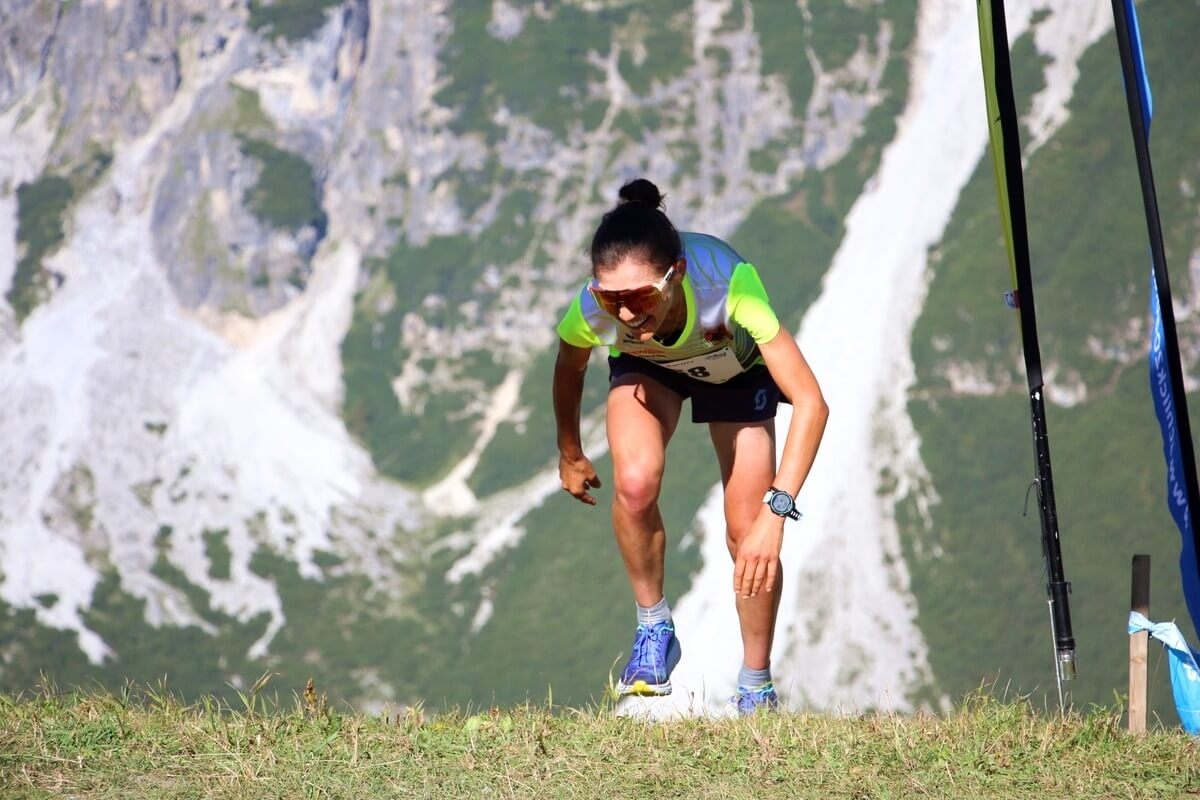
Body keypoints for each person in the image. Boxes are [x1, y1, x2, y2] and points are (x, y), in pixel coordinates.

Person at [552, 178, 828, 715]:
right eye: (612, 298)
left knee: (747, 535)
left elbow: (812, 403)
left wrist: (778, 513)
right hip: (649, 368)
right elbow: (569, 366)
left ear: (675, 274)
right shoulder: (596, 305)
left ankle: (755, 686)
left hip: (735, 375)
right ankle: (654, 629)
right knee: (633, 484)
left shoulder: (730, 284)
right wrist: (569, 451)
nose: (625, 314)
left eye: (638, 297)